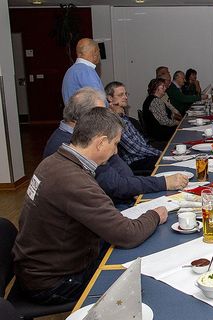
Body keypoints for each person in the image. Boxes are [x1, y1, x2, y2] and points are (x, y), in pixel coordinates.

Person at [13, 108, 168, 305]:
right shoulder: (74, 180)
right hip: (54, 282)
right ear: (101, 142)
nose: (116, 151)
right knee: (149, 288)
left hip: (37, 268)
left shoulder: (53, 161)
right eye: (115, 144)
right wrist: (155, 214)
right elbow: (128, 235)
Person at [44, 88, 188, 208]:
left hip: (127, 193)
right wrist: (162, 182)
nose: (107, 118)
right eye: (101, 114)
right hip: (113, 206)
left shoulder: (84, 135)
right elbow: (114, 185)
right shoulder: (76, 145)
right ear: (85, 118)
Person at [105, 81, 161, 172]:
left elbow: (141, 142)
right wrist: (161, 154)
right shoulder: (114, 121)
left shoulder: (123, 116)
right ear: (110, 98)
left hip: (144, 155)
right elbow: (135, 149)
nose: (125, 97)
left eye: (126, 94)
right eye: (120, 95)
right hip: (136, 162)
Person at [61, 38, 103, 103]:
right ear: (95, 52)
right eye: (98, 51)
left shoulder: (70, 71)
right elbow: (98, 99)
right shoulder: (86, 71)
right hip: (88, 113)